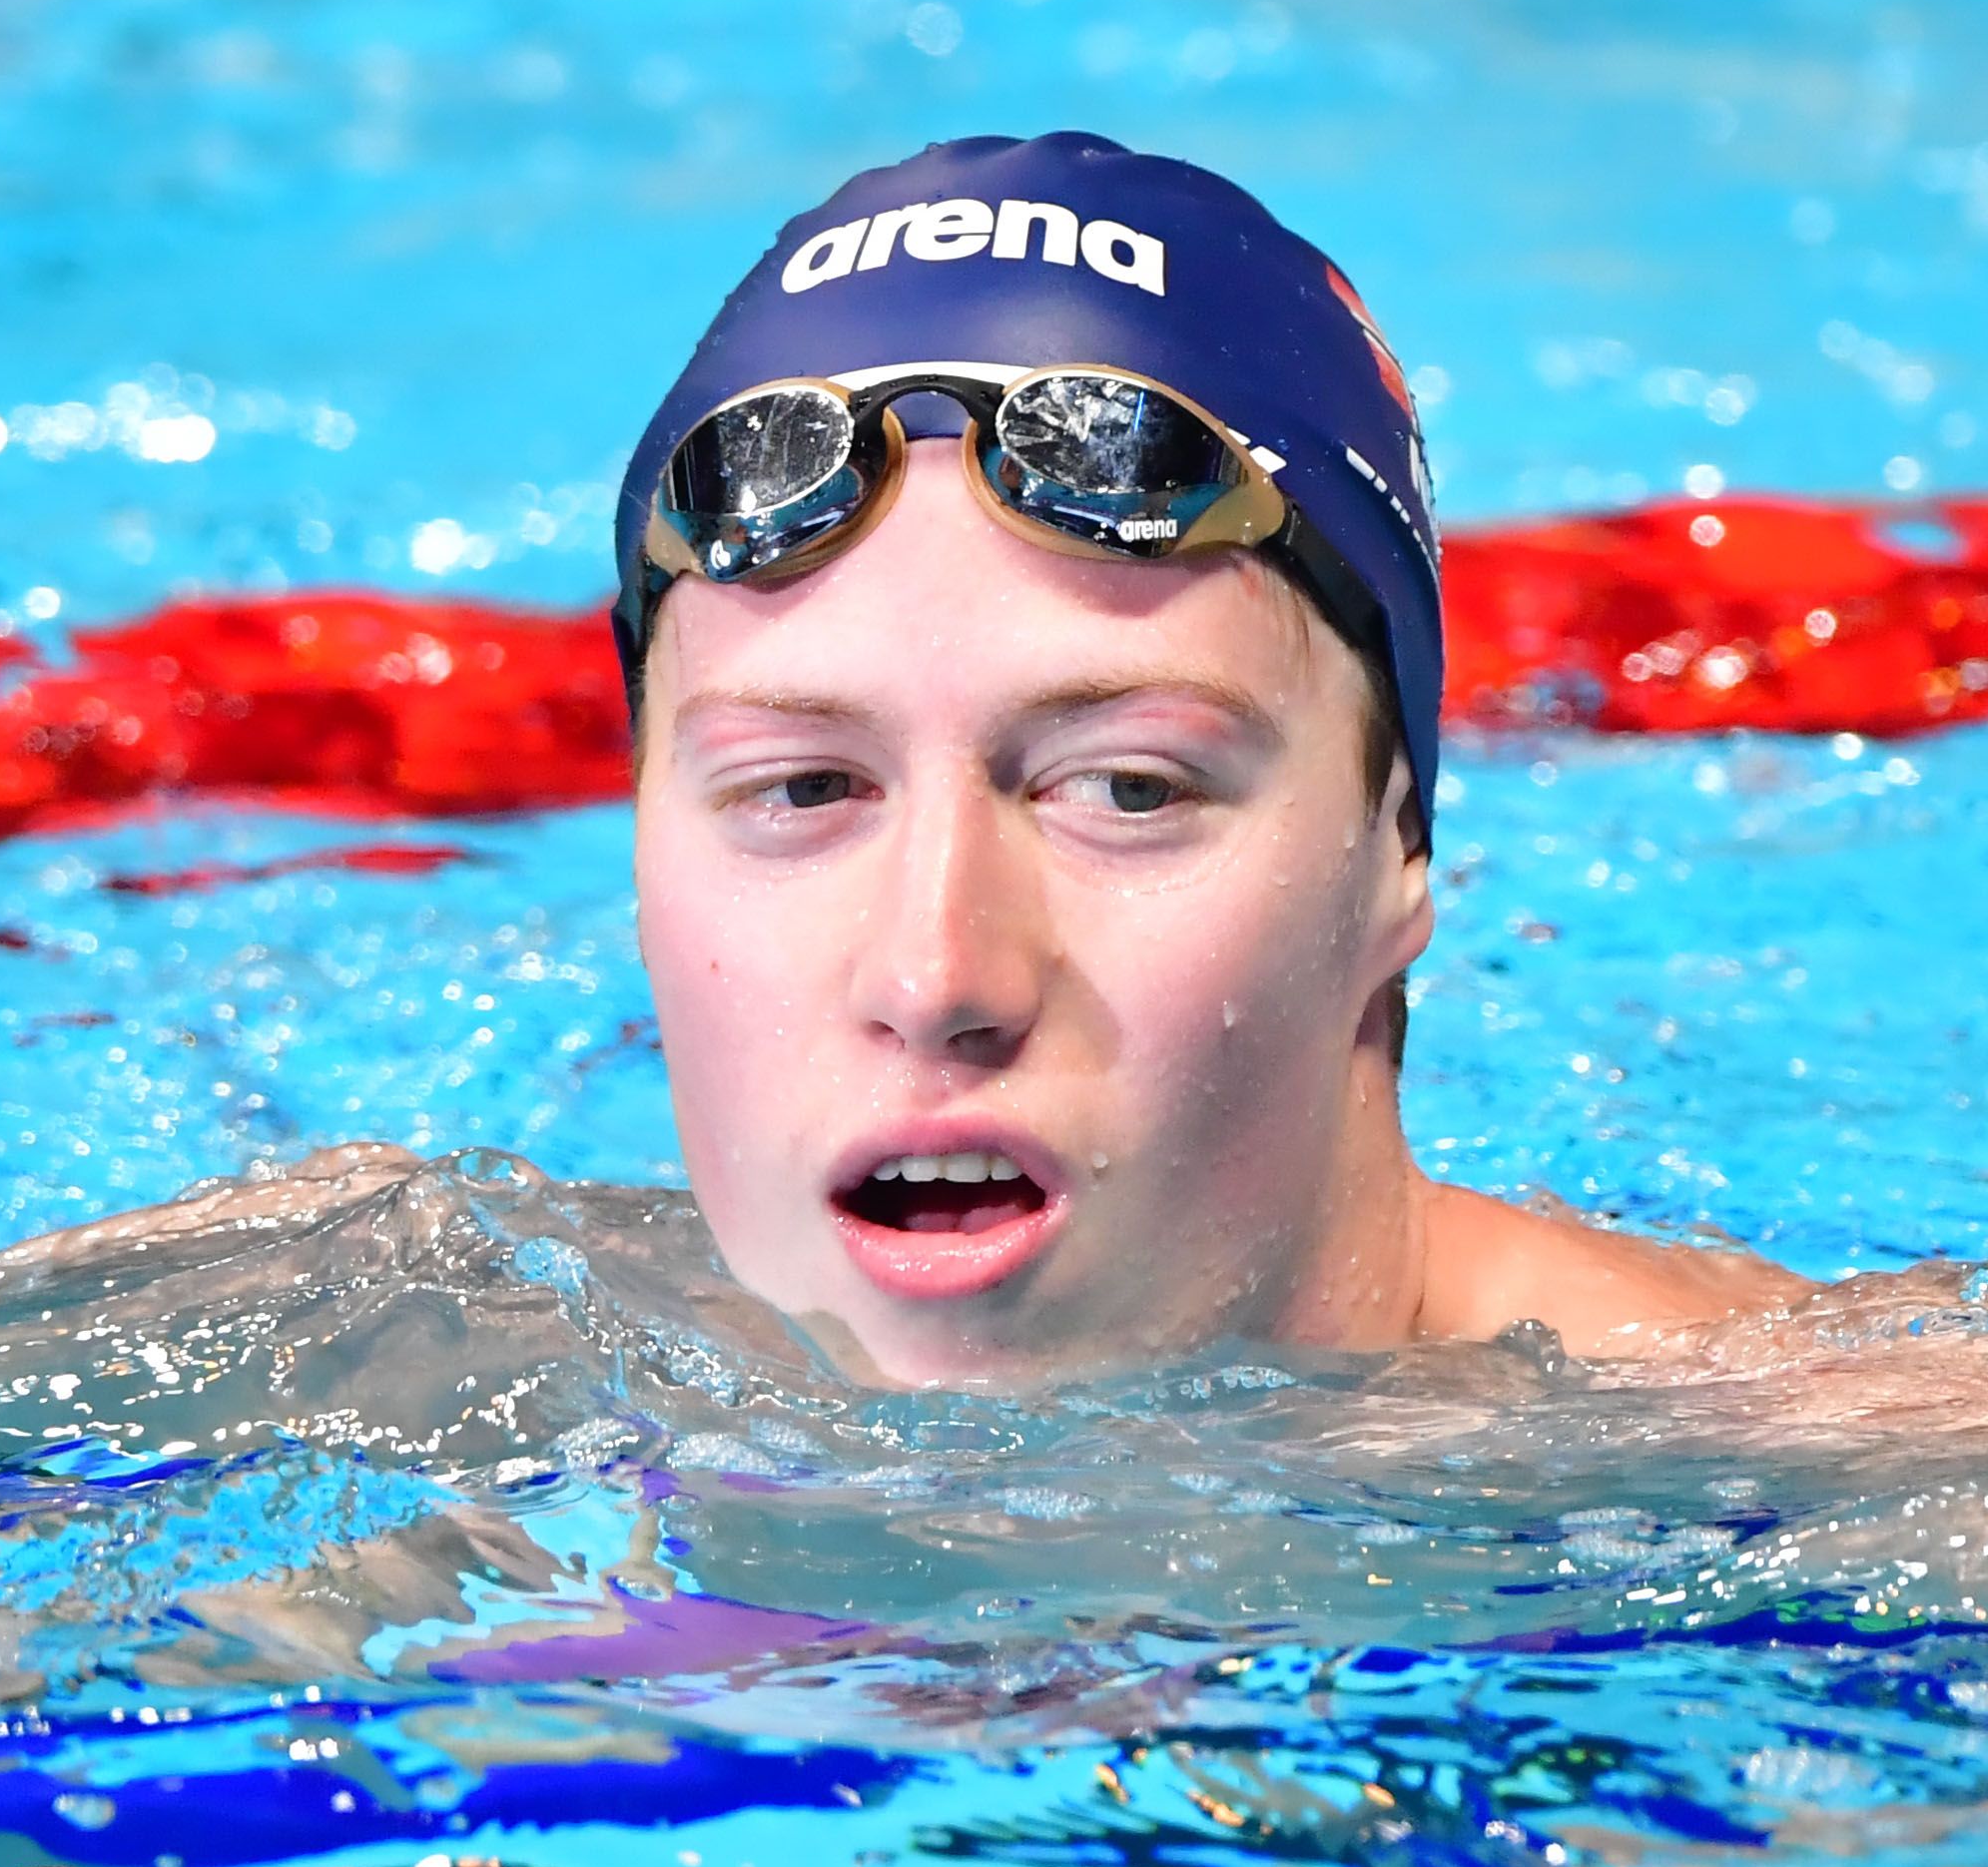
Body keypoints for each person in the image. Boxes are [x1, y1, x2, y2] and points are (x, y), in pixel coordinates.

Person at [605, 130, 1800, 1387]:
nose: (934, 978)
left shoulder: (1801, 1452)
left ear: (1394, 847)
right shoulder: (488, 1373)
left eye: (1130, 789)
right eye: (801, 788)